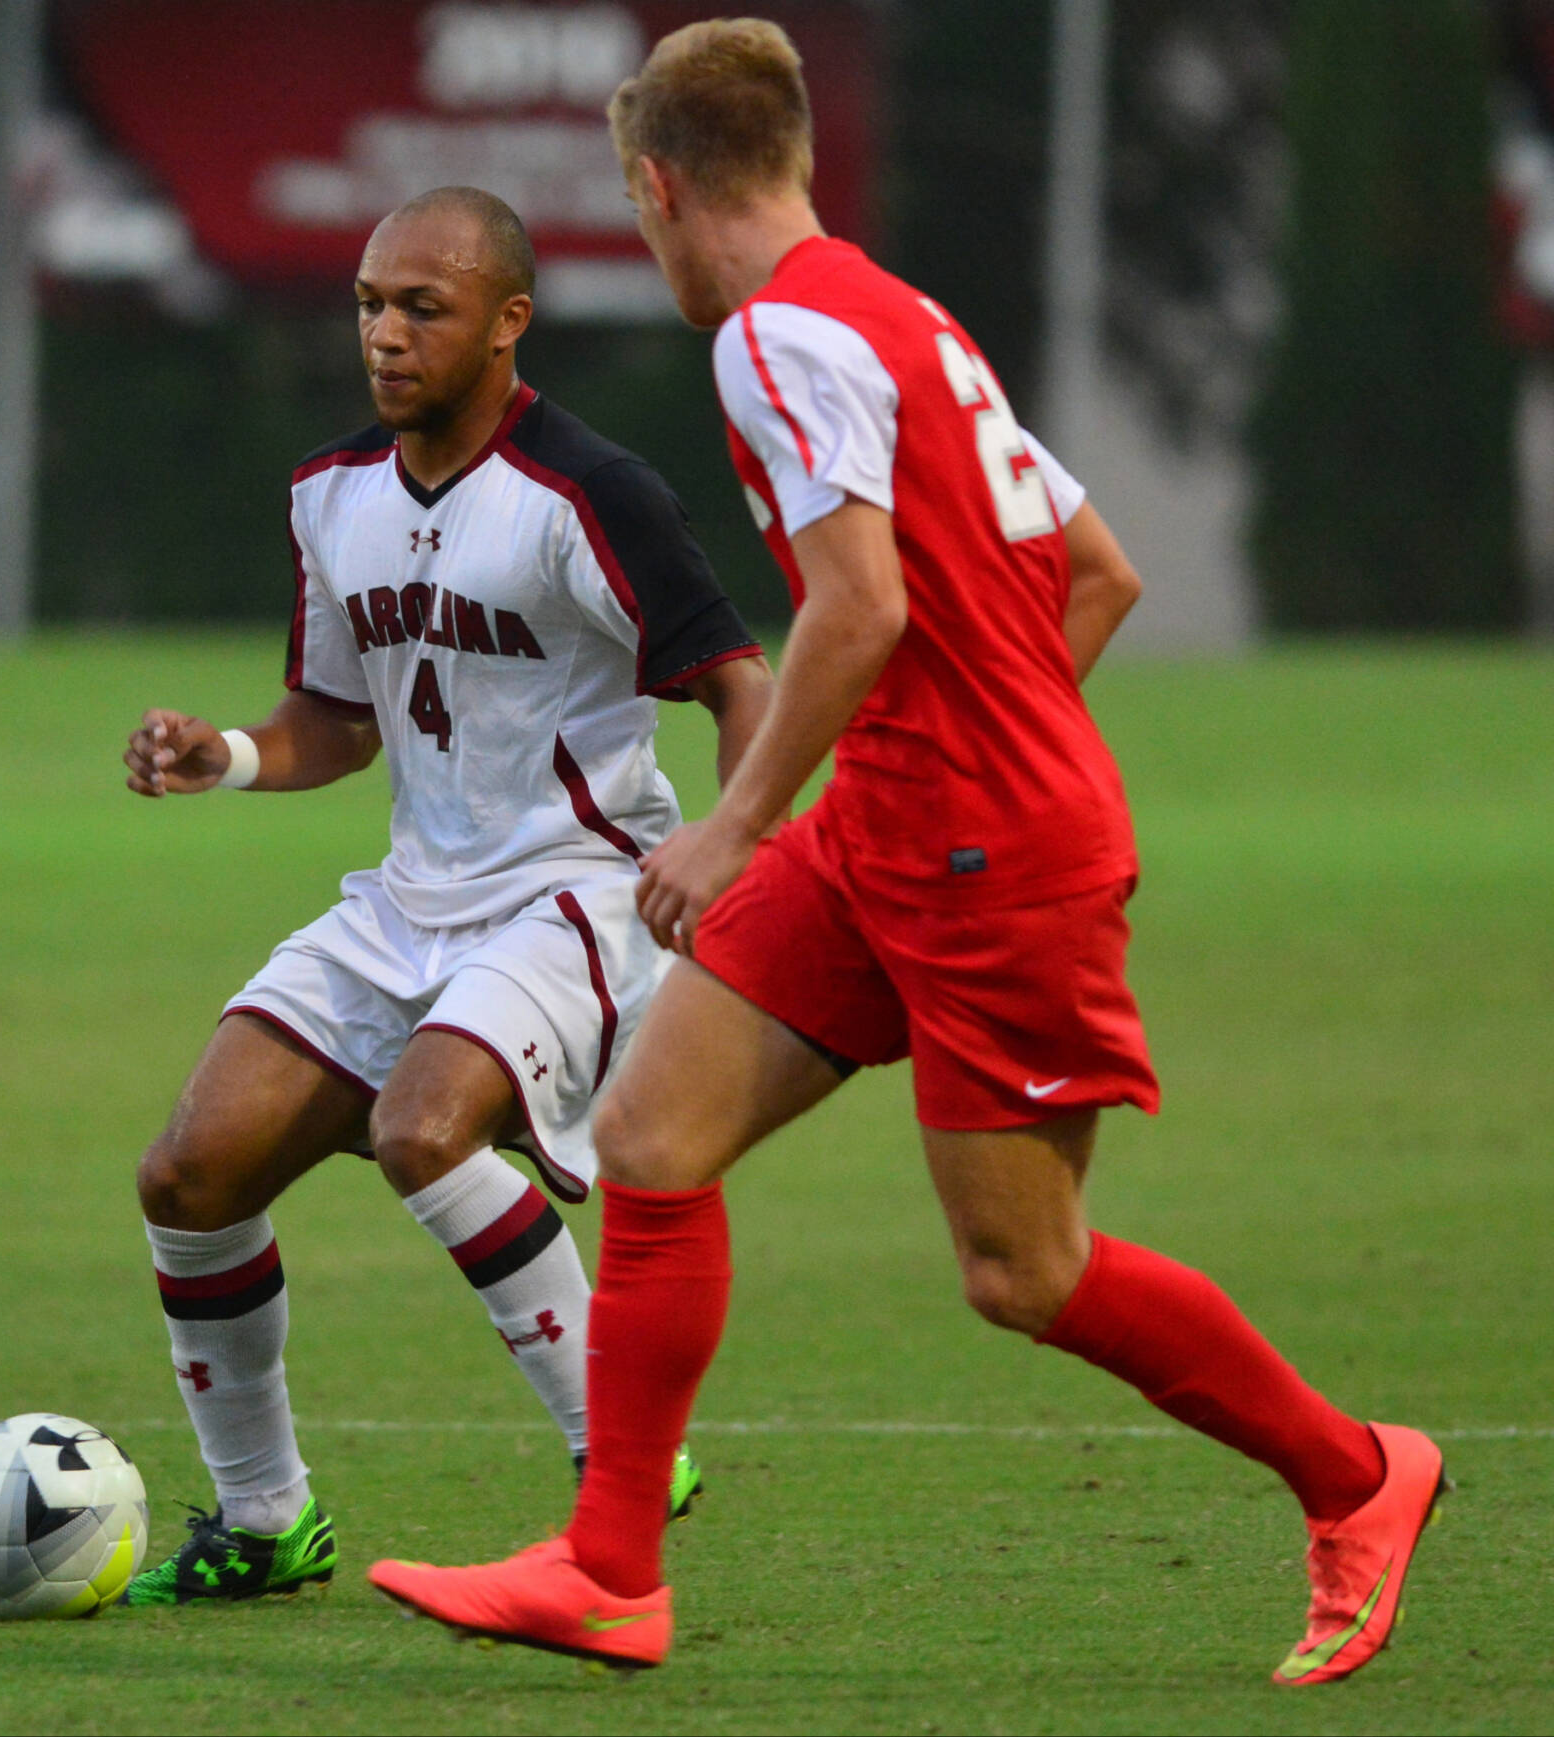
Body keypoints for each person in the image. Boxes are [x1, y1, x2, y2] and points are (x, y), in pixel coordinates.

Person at [371, 20, 1442, 1683]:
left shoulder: (772, 339)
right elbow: (1098, 575)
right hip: (905, 821)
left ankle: (1360, 1473)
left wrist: (743, 818)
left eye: (634, 204)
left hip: (982, 853)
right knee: (651, 1137)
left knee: (1023, 1271)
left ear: (656, 189)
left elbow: (860, 603)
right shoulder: (902, 314)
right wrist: (949, 755)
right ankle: (609, 1570)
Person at [118, 186, 772, 1606]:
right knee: (188, 1173)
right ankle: (267, 1518)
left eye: (425, 307)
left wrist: (731, 846)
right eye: (369, 304)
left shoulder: (592, 494)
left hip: (577, 890)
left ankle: (622, 1451)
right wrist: (220, 757)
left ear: (507, 326)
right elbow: (336, 723)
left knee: (424, 1127)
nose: (388, 334)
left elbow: (743, 685)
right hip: (407, 901)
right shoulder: (330, 493)